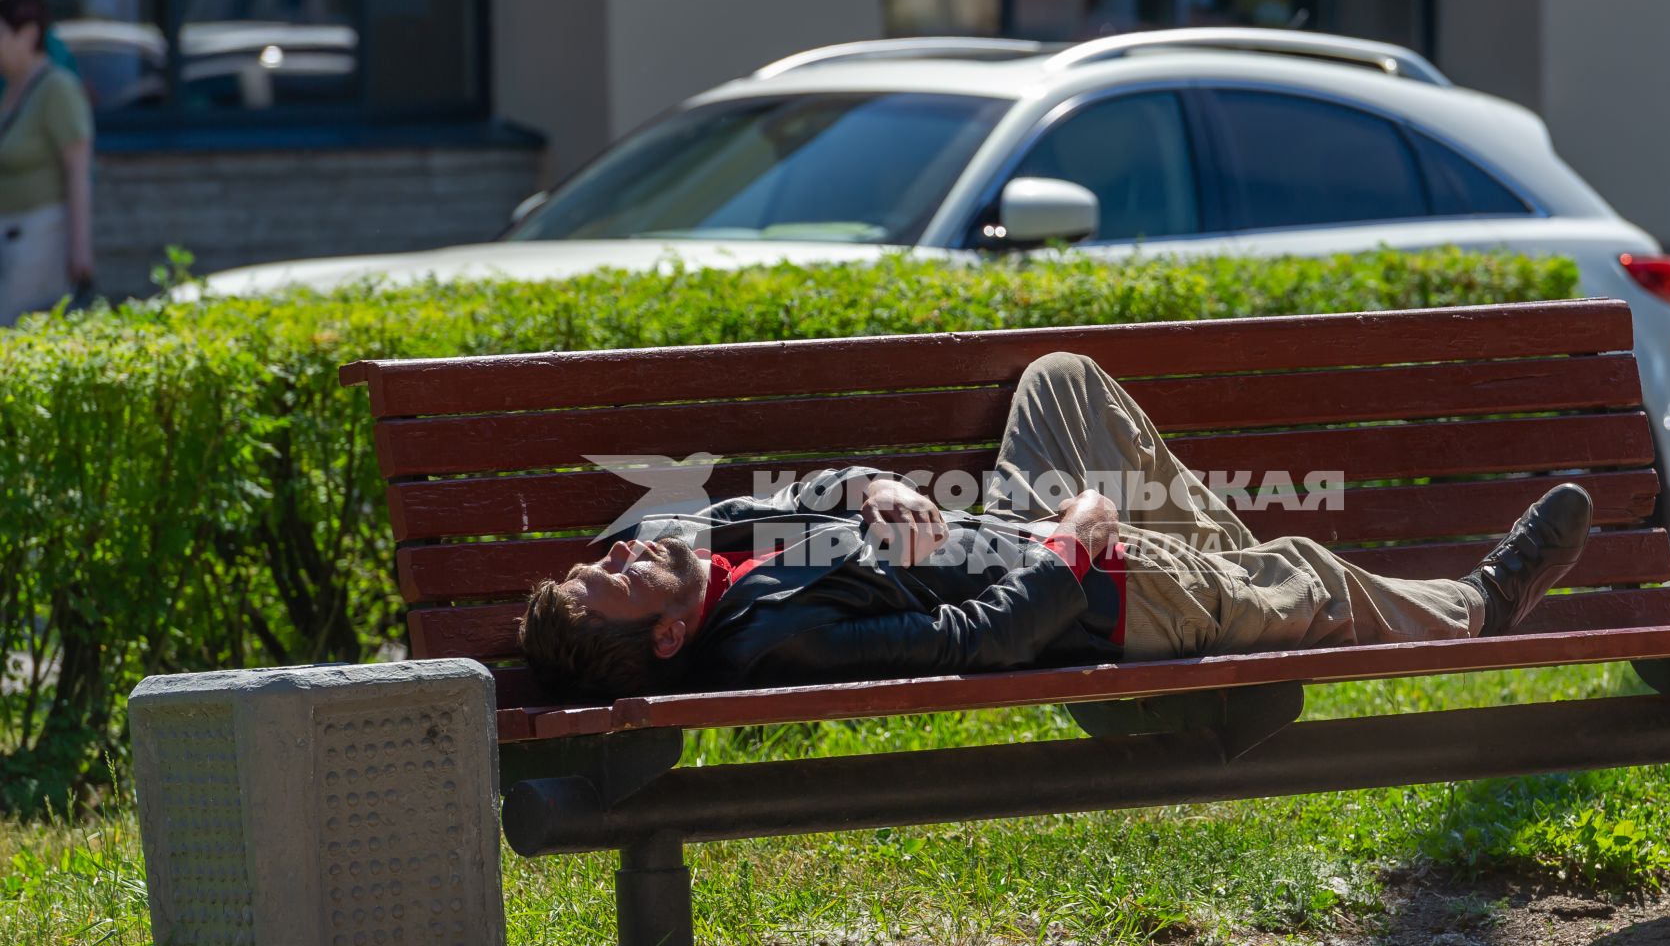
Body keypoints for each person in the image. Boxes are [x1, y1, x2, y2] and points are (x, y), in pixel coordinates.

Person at [518, 352, 1595, 700]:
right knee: (1311, 569)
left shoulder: (718, 538)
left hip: (1012, 524)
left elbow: (813, 494)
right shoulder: (767, 635)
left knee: (1061, 381)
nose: (616, 548)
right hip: (1091, 592)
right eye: (606, 580)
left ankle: (1226, 580)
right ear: (664, 638)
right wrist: (1075, 544)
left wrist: (870, 487)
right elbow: (974, 645)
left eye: (597, 553)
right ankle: (1480, 606)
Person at [0, 0, 91, 327]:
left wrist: (81, 250)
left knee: (16, 335)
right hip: (8, 235)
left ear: (28, 35)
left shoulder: (57, 88)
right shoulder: (9, 89)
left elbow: (78, 171)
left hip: (40, 238)